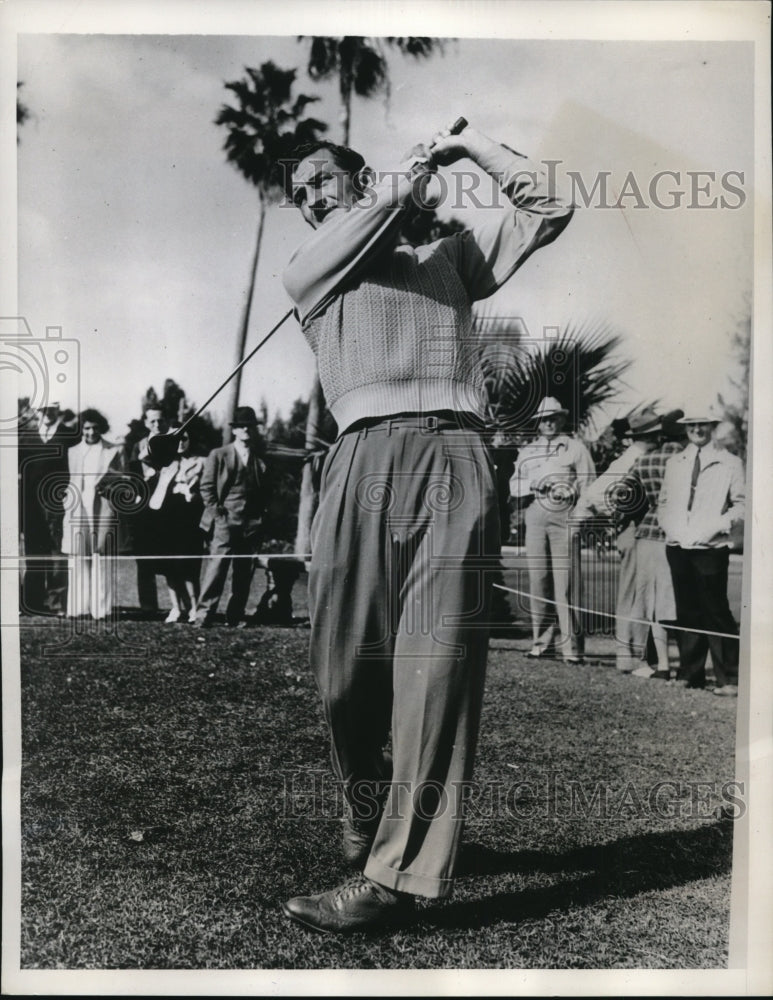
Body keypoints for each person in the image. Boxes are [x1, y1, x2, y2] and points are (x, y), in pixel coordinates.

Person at [279, 122, 573, 931]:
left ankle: (396, 876)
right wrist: (400, 180)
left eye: (321, 179)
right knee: (344, 676)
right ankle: (365, 804)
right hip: (361, 459)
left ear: (357, 174)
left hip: (454, 456)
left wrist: (468, 144)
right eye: (299, 191)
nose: (309, 196)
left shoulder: (445, 264)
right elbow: (380, 208)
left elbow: (552, 206)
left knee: (433, 672)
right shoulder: (312, 270)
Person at [658, 408, 745, 695]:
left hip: (711, 546)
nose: (697, 429)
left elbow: (741, 505)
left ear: (712, 427)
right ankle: (691, 673)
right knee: (687, 609)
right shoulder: (675, 463)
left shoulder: (730, 462)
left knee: (715, 609)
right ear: (686, 428)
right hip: (679, 546)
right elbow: (665, 503)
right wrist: (673, 530)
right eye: (692, 424)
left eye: (703, 424)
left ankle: (729, 678)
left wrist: (713, 528)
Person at [510, 397, 595, 664]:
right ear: (538, 423)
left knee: (566, 584)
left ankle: (572, 649)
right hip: (536, 512)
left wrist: (578, 516)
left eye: (553, 418)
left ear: (561, 420)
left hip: (564, 513)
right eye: (544, 419)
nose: (548, 423)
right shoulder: (528, 451)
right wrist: (533, 484)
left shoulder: (575, 448)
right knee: (539, 580)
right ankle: (541, 644)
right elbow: (514, 486)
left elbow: (588, 486)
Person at [621, 410, 685, 680]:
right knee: (676, 600)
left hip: (647, 532)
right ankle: (683, 663)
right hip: (678, 533)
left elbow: (624, 495)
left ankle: (661, 664)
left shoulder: (644, 461)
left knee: (650, 601)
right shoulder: (681, 458)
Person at [195, 406, 270, 628]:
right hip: (225, 520)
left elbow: (267, 491)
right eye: (241, 426)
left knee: (244, 571)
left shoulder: (259, 458)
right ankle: (204, 614)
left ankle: (234, 616)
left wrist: (261, 517)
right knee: (217, 567)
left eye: (249, 426)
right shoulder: (219, 455)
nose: (246, 430)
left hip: (251, 523)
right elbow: (206, 488)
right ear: (235, 430)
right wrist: (218, 515)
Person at [61, 409, 122, 619]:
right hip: (78, 507)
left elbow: (119, 479)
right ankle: (78, 607)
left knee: (100, 555)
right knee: (78, 555)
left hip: (103, 507)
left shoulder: (113, 450)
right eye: (86, 428)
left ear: (101, 428)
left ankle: (101, 610)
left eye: (95, 427)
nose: (90, 432)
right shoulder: (73, 451)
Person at [147, 426, 206, 623]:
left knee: (187, 566)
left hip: (188, 520)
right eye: (176, 439)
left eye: (184, 438)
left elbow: (205, 489)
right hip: (165, 519)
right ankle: (175, 607)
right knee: (167, 565)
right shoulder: (165, 463)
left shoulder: (200, 462)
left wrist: (193, 494)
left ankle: (194, 607)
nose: (180, 442)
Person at [128, 406, 169, 617]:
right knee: (144, 559)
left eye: (160, 421)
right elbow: (133, 475)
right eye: (152, 421)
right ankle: (148, 606)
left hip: (168, 510)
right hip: (144, 511)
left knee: (170, 560)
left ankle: (179, 606)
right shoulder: (138, 446)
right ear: (146, 423)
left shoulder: (174, 441)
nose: (157, 425)